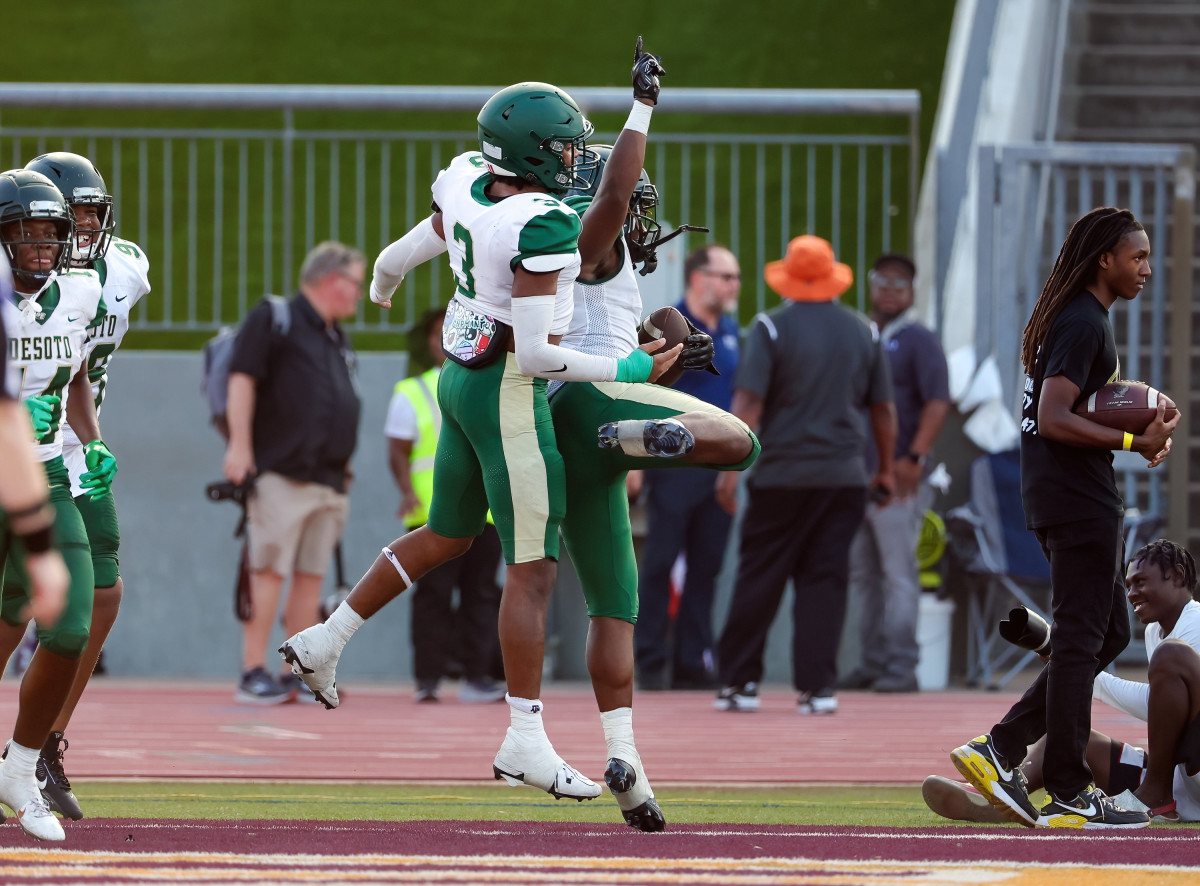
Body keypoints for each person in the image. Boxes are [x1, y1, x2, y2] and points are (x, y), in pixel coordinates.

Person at [281, 45, 681, 806]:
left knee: (447, 535)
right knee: (531, 567)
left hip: (459, 378)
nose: (573, 160)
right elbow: (538, 352)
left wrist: (385, 276)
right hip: (506, 387)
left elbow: (428, 234)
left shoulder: (471, 174)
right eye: (564, 149)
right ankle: (524, 737)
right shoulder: (544, 223)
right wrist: (629, 371)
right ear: (533, 154)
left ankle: (323, 640)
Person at [548, 147, 759, 829]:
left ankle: (625, 761)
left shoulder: (570, 257)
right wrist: (640, 112)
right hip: (590, 407)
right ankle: (633, 440)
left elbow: (631, 352)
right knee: (739, 443)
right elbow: (604, 219)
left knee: (616, 602)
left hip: (573, 429)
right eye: (633, 202)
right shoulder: (587, 234)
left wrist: (666, 352)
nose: (642, 217)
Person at [949, 206, 1176, 830]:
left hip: (1063, 497)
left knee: (1104, 636)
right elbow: (1052, 418)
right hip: (1078, 501)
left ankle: (999, 748)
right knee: (1082, 638)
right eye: (1137, 257)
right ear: (1105, 259)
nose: (1146, 270)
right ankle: (1070, 787)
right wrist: (1134, 444)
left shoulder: (1076, 317)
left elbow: (1066, 411)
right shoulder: (1083, 321)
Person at [0, 151, 151, 821]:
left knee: (100, 590)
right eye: (71, 219)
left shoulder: (111, 278)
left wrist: (90, 439)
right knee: (13, 601)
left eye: (87, 219)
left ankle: (41, 742)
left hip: (63, 458)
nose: (82, 230)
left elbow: (79, 365)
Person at [712, 234, 895, 716]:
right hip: (844, 478)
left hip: (781, 476)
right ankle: (818, 688)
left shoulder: (771, 328)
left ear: (789, 277)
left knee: (760, 575)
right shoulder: (865, 331)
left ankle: (740, 682)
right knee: (826, 580)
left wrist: (730, 470)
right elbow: (883, 410)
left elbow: (749, 403)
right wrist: (887, 469)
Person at [926, 538, 1200, 824]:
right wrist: (1068, 665)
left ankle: (1155, 796)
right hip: (1182, 779)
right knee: (1066, 740)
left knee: (1171, 655)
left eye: (1141, 582)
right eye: (1129, 585)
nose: (1131, 594)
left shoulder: (1194, 623)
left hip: (1181, 774)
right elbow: (1166, 709)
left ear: (1178, 575)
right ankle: (995, 800)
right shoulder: (1155, 630)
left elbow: (1154, 705)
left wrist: (1077, 670)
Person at [0, 169, 109, 842]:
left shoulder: (81, 293)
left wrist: (93, 443)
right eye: (26, 233)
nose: (42, 247)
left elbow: (72, 380)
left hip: (43, 475)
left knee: (69, 626)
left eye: (52, 233)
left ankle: (19, 765)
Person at [223, 241, 362, 704]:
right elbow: (241, 378)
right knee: (268, 571)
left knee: (309, 576)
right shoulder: (275, 317)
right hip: (282, 473)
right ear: (331, 280)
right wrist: (240, 447)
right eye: (356, 284)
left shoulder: (333, 334)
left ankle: (294, 670)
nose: (360, 295)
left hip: (328, 480)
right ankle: (252, 669)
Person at [633, 243, 744, 691]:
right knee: (660, 562)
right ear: (699, 278)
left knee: (707, 565)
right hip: (675, 459)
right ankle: (652, 660)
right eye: (727, 276)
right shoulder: (668, 324)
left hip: (718, 463)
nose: (735, 285)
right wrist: (633, 461)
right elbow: (639, 385)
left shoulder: (733, 331)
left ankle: (693, 661)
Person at [384, 307, 505, 704]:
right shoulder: (412, 391)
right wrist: (406, 490)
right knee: (433, 596)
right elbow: (398, 450)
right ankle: (428, 678)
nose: (444, 341)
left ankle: (476, 675)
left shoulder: (494, 384)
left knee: (482, 595)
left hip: (484, 513)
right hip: (431, 517)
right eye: (438, 334)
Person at [841, 254, 949, 694]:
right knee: (864, 576)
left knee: (898, 574)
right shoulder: (862, 335)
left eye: (898, 283)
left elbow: (938, 401)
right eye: (880, 281)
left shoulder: (919, 340)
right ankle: (872, 663)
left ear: (912, 290)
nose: (888, 290)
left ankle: (902, 666)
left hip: (899, 479)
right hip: (858, 476)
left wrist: (914, 459)